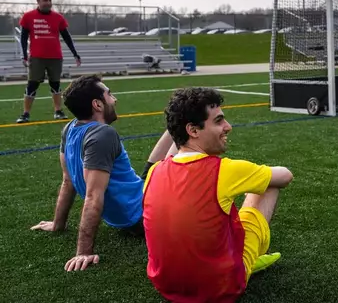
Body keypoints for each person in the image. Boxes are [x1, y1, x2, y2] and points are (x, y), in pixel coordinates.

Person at [142, 87, 293, 303]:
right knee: (268, 183)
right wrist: (256, 174)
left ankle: (238, 255)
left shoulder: (155, 171)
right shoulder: (224, 169)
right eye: (219, 121)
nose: (228, 127)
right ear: (193, 130)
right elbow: (286, 176)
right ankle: (247, 259)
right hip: (220, 289)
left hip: (165, 285)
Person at [30, 74, 177, 272]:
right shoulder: (102, 134)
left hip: (136, 195)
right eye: (109, 94)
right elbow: (93, 196)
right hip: (142, 214)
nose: (114, 99)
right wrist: (83, 251)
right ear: (97, 105)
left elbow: (68, 180)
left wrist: (58, 224)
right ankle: (185, 126)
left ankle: (179, 122)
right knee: (191, 143)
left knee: (168, 144)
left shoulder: (70, 128)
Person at [16, 0, 82, 124]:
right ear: (38, 1)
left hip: (55, 57)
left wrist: (75, 54)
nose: (48, 3)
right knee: (32, 85)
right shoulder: (28, 17)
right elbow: (23, 38)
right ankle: (25, 113)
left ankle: (58, 111)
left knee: (55, 84)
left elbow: (67, 37)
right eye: (45, 0)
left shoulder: (58, 18)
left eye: (49, 0)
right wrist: (24, 55)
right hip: (37, 57)